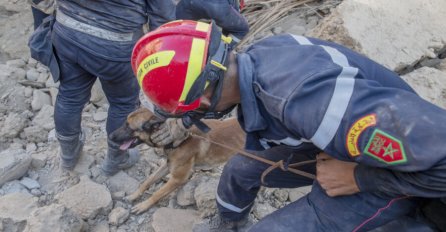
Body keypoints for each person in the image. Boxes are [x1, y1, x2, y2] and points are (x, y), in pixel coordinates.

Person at [131, 20, 446, 231]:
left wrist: (360, 178)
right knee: (239, 171)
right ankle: (229, 225)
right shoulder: (258, 59)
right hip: (343, 147)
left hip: (401, 174)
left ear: (201, 102)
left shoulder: (307, 102)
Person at [41, 1, 175, 176]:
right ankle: (116, 160)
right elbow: (163, 18)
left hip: (68, 32)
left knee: (69, 97)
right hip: (117, 45)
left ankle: (68, 156)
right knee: (123, 104)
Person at [175, 0, 248, 41]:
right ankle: (226, 53)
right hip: (216, 5)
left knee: (179, 26)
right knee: (242, 29)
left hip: (188, 3)